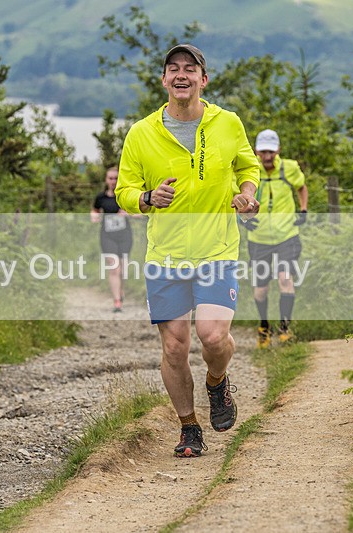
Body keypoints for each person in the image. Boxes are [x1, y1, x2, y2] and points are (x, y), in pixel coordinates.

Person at [116, 44, 260, 458]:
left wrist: (246, 195)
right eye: (173, 69)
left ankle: (217, 381)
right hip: (166, 255)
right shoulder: (142, 132)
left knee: (213, 337)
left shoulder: (227, 123)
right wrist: (146, 198)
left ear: (203, 79)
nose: (182, 75)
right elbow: (123, 192)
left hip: (217, 249)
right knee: (175, 346)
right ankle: (188, 427)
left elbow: (247, 168)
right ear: (164, 80)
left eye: (190, 69)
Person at [240, 129, 308, 348]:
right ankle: (264, 326)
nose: (267, 156)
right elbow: (239, 197)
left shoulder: (289, 168)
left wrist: (303, 211)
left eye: (271, 151)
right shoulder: (251, 171)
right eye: (263, 151)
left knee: (285, 280)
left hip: (287, 235)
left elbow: (301, 187)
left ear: (278, 150)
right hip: (258, 238)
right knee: (261, 289)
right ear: (257, 151)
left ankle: (285, 328)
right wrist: (245, 218)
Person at [91, 166, 133, 312]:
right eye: (110, 178)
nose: (113, 181)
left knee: (123, 269)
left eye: (116, 178)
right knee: (114, 268)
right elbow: (95, 210)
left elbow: (140, 212)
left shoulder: (125, 196)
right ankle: (117, 302)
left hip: (124, 236)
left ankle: (121, 291)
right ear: (106, 180)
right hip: (107, 236)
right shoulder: (100, 197)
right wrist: (94, 216)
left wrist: (129, 214)